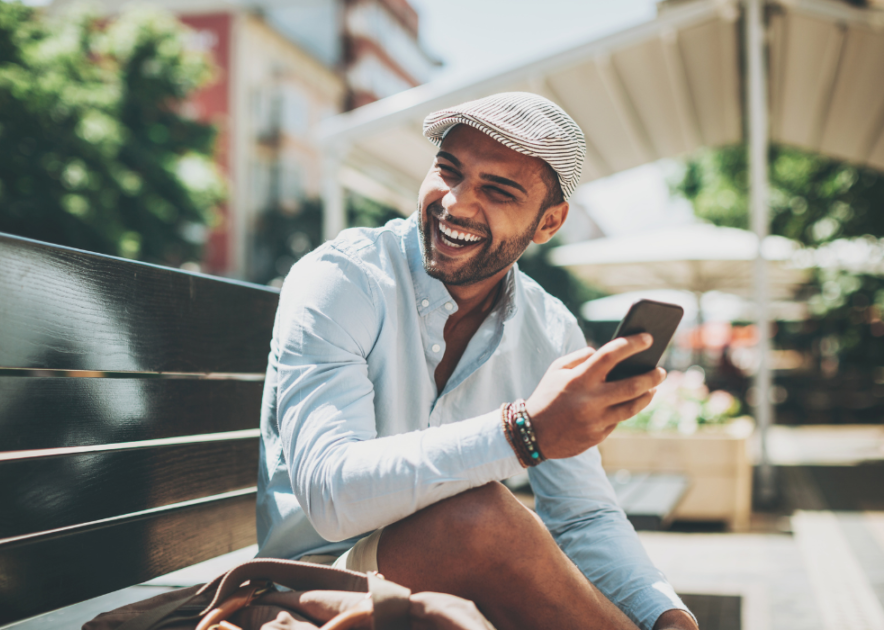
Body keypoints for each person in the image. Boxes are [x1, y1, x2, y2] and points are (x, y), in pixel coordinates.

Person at [257, 92, 697, 630]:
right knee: (481, 520)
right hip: (311, 587)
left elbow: (583, 515)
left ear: (549, 222)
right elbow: (332, 497)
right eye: (449, 171)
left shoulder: (552, 328)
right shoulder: (342, 280)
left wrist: (666, 614)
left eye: (498, 191)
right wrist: (523, 433)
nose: (457, 203)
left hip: (453, 591)